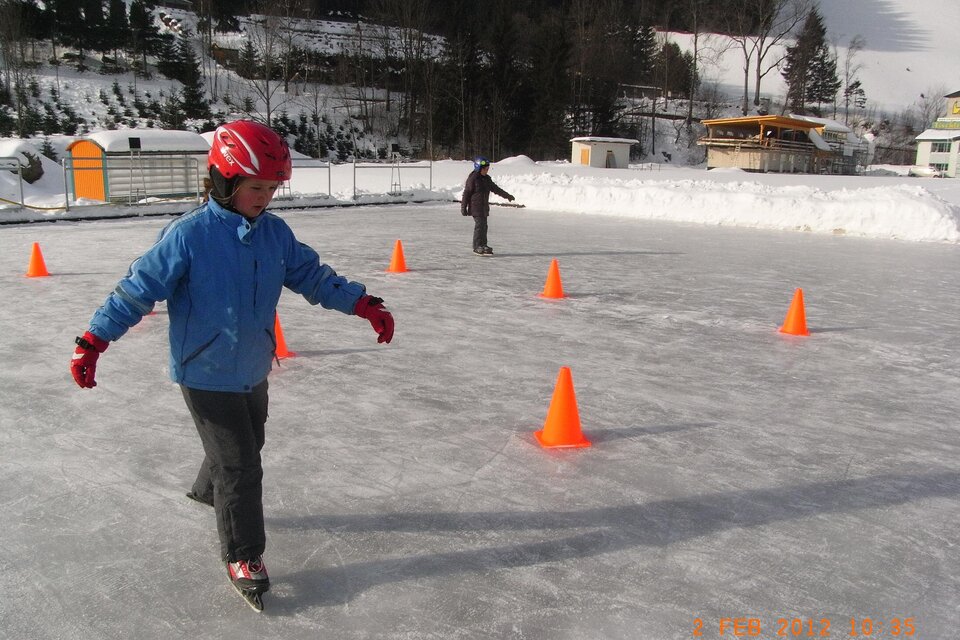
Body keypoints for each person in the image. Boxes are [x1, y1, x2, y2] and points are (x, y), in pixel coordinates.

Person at [69, 119, 394, 606]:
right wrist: (93, 340)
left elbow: (314, 276)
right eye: (254, 187)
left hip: (252, 366)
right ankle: (244, 553)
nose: (263, 197)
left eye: (270, 188)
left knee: (246, 446)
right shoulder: (189, 236)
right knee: (241, 465)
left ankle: (207, 490)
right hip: (204, 372)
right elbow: (137, 290)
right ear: (224, 179)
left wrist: (362, 303)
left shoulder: (275, 234)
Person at [461, 156, 515, 255]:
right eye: (485, 169)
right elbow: (466, 193)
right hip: (475, 207)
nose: (487, 171)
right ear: (478, 168)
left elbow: (496, 189)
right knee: (479, 226)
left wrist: (507, 196)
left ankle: (483, 245)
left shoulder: (487, 179)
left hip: (484, 207)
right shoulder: (473, 179)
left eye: (487, 169)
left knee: (484, 226)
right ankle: (477, 246)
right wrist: (463, 207)